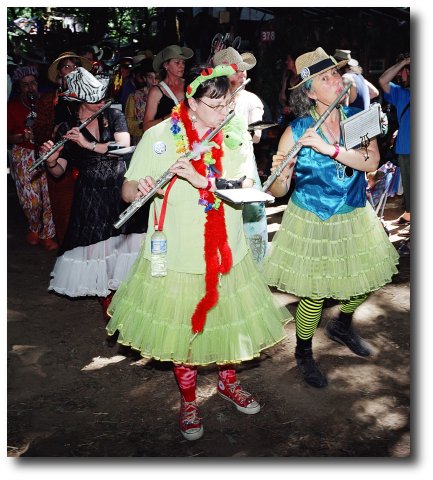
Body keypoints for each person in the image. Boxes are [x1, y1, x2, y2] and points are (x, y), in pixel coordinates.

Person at [106, 64, 291, 441]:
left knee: (227, 321)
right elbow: (125, 190)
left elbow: (241, 184)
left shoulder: (234, 136)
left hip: (226, 249)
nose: (223, 112)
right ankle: (189, 400)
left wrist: (200, 178)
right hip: (175, 251)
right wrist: (138, 188)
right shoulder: (160, 136)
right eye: (215, 103)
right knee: (181, 331)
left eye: (228, 104)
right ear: (191, 99)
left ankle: (227, 382)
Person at [261, 47, 399, 388]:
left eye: (337, 74)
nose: (336, 80)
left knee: (362, 283)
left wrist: (332, 149)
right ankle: (304, 354)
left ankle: (341, 326)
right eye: (326, 77)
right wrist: (283, 171)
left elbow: (370, 163)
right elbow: (278, 191)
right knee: (315, 293)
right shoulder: (298, 130)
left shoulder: (357, 118)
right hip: (312, 216)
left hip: (352, 211)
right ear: (309, 90)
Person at [39, 67, 148, 328]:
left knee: (125, 242)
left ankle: (126, 295)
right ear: (78, 100)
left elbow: (123, 148)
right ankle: (107, 297)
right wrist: (51, 161)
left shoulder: (114, 114)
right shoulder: (66, 128)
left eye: (102, 96)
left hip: (119, 187)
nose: (100, 102)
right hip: (90, 194)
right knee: (100, 246)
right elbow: (58, 171)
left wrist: (88, 145)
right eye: (93, 99)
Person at [212, 46, 268, 264]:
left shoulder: (251, 99)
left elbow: (257, 136)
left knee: (250, 212)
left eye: (243, 70)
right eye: (236, 70)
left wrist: (239, 129)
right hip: (215, 162)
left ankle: (253, 263)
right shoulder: (209, 98)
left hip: (242, 162)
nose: (242, 74)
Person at [33, 51, 93, 246]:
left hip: (85, 158)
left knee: (87, 208)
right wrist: (54, 131)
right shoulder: (49, 99)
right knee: (63, 207)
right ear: (59, 73)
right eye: (67, 67)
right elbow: (39, 131)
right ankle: (67, 248)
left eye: (75, 67)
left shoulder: (88, 97)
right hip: (59, 159)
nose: (72, 71)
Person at [7, 66, 58, 251]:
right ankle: (34, 227)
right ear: (20, 87)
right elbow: (8, 136)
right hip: (23, 153)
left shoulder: (47, 101)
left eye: (33, 83)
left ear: (38, 83)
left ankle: (48, 234)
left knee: (49, 196)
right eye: (25, 84)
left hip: (47, 150)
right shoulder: (11, 106)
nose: (30, 87)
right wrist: (23, 137)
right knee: (32, 200)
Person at [378, 54, 410, 231]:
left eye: (403, 72)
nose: (400, 75)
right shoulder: (403, 94)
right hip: (406, 149)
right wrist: (403, 63)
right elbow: (383, 80)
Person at [142, 45, 193, 133]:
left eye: (183, 62)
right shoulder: (156, 91)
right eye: (177, 62)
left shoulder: (190, 84)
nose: (182, 66)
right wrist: (169, 117)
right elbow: (146, 126)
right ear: (166, 65)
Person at [124, 58, 157, 145]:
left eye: (156, 78)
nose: (154, 81)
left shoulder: (164, 96)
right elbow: (128, 121)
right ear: (144, 78)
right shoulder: (134, 97)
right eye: (150, 77)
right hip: (141, 141)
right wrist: (143, 125)